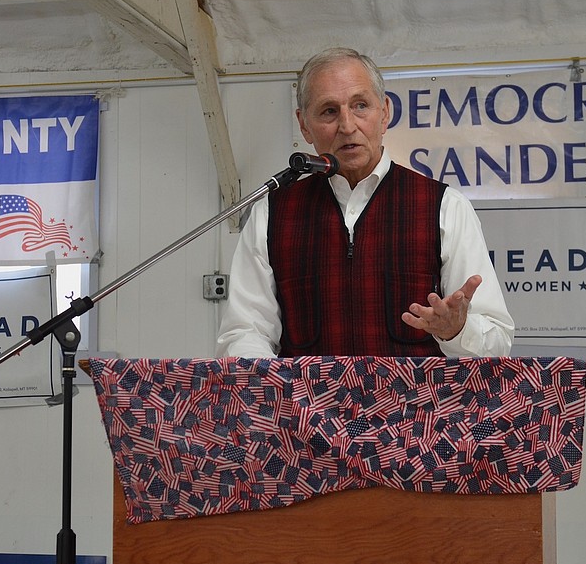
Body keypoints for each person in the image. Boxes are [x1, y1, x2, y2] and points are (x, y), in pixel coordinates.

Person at [216, 47, 514, 359]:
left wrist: (456, 330)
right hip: (307, 407)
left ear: (384, 112)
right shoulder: (273, 213)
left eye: (360, 106)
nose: (347, 125)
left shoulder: (444, 206)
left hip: (413, 407)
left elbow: (497, 342)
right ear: (304, 125)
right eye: (329, 111)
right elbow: (244, 332)